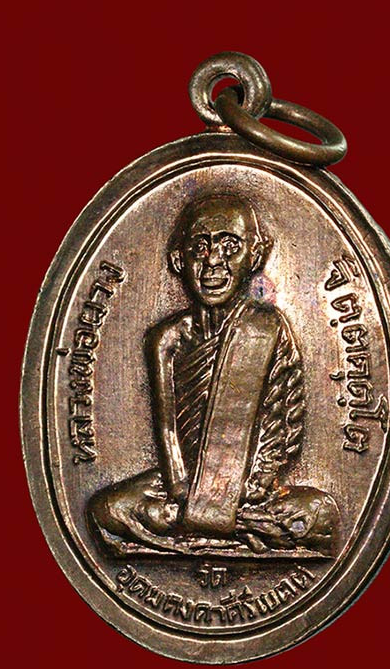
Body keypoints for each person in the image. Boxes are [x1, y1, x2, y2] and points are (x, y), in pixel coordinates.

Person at [87, 194, 339, 556]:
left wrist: (252, 486)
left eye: (230, 246)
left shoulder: (266, 327)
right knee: (106, 509)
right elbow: (168, 435)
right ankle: (242, 530)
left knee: (321, 511)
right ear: (179, 259)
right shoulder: (166, 339)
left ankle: (207, 531)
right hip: (181, 487)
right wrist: (188, 495)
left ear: (255, 255)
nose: (213, 262)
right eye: (199, 248)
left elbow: (284, 418)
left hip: (252, 487)